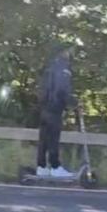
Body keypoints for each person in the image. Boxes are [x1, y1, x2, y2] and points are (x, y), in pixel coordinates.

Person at [36, 45, 79, 178]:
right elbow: (62, 89)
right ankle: (55, 167)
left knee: (44, 139)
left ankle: (41, 167)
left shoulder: (50, 67)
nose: (71, 53)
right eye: (70, 50)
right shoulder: (63, 68)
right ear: (64, 51)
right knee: (54, 138)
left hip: (44, 107)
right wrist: (75, 103)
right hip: (54, 107)